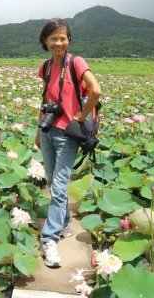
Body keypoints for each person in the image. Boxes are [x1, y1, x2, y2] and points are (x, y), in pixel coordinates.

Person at [34, 18, 102, 268]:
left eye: (63, 38)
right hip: (49, 131)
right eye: (53, 38)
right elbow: (46, 99)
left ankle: (49, 240)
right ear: (45, 41)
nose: (58, 42)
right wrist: (38, 132)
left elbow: (96, 90)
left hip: (68, 135)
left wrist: (81, 116)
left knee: (60, 186)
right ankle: (63, 225)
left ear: (69, 40)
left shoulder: (77, 62)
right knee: (52, 182)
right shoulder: (46, 67)